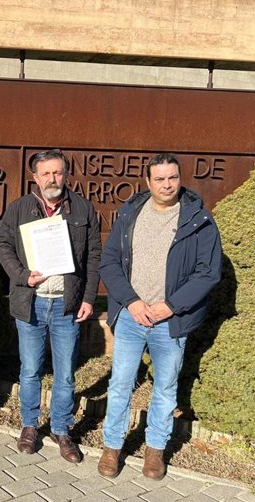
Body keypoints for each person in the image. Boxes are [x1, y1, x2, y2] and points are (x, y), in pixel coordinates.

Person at [97, 153, 222, 480]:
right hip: (130, 317)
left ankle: (155, 450)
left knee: (165, 388)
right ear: (148, 182)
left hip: (171, 321)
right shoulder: (129, 214)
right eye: (160, 179)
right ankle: (112, 447)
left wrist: (172, 305)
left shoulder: (199, 220)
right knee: (121, 383)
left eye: (173, 178)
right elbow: (109, 262)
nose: (167, 185)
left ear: (179, 178)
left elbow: (208, 273)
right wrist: (132, 301)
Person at [0, 148, 101, 461]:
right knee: (30, 370)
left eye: (57, 172)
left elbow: (93, 256)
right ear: (35, 177)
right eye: (46, 173)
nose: (52, 179)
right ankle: (29, 425)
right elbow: (2, 245)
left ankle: (61, 428)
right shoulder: (20, 208)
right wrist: (21, 275)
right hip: (32, 303)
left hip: (66, 305)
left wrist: (89, 297)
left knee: (66, 373)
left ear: (66, 175)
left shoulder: (82, 209)